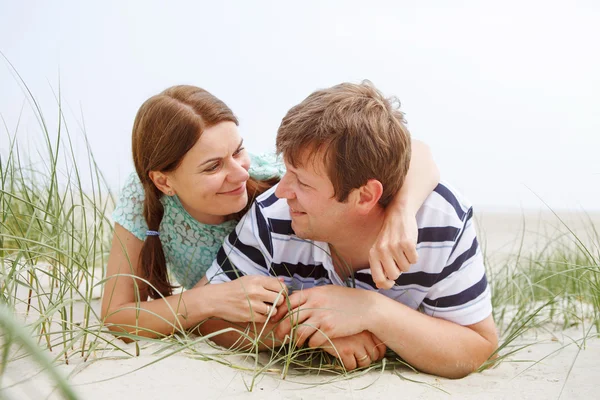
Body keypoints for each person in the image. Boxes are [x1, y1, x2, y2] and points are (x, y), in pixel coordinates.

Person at [202, 81, 498, 378]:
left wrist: (371, 311)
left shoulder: (440, 222)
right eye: (287, 171)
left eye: (303, 182)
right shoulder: (272, 216)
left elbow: (478, 349)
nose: (282, 191)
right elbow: (208, 315)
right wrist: (306, 332)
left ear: (365, 196)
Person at [100, 85, 440, 340]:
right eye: (213, 166)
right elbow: (116, 315)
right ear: (163, 181)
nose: (239, 174)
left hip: (313, 309)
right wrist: (209, 300)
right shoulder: (143, 198)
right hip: (249, 319)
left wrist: (402, 213)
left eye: (238, 150)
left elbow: (413, 151)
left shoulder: (273, 178)